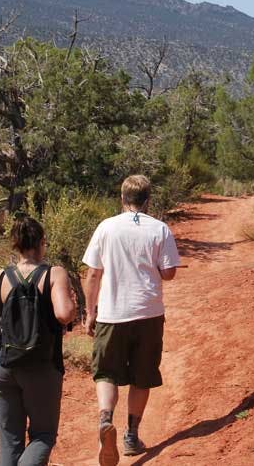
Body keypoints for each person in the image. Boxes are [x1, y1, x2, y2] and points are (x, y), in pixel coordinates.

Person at [82, 174, 180, 466]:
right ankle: (130, 436)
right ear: (148, 200)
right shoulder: (160, 229)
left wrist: (90, 313)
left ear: (122, 199)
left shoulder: (106, 227)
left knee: (106, 373)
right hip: (148, 312)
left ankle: (105, 420)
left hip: (112, 313)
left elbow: (93, 274)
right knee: (142, 374)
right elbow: (169, 273)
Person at [0, 217, 77, 466]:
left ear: (15, 245)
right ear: (42, 242)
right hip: (41, 365)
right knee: (43, 435)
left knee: (10, 440)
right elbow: (64, 314)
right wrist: (72, 303)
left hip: (2, 365)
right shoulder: (54, 273)